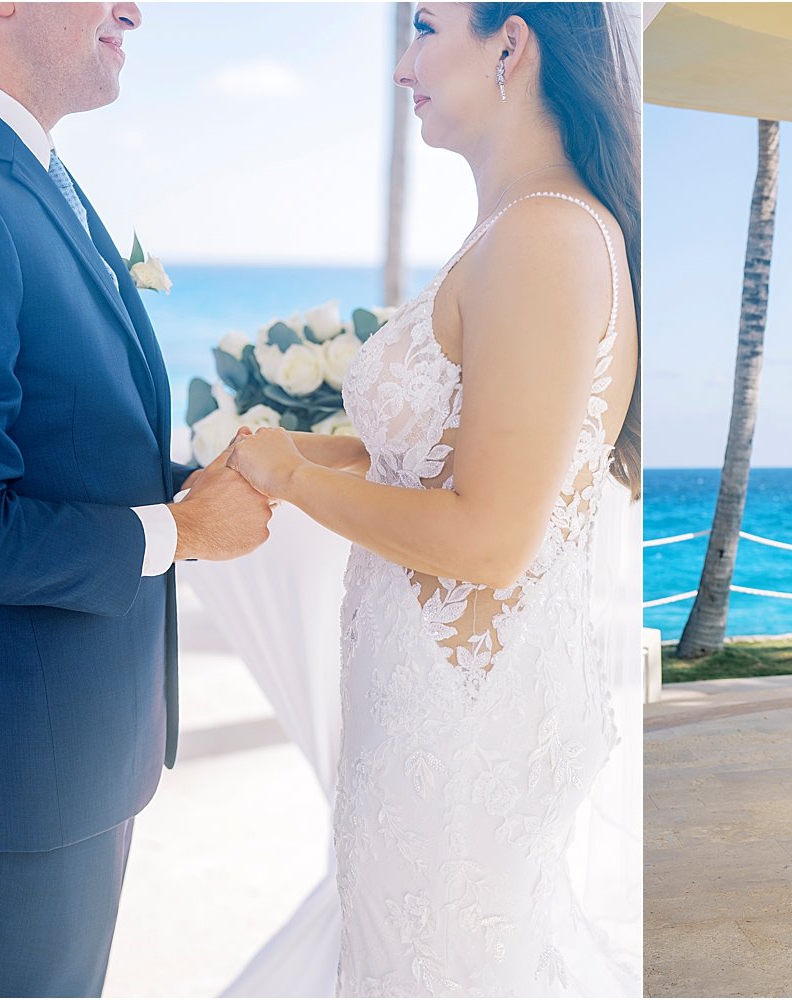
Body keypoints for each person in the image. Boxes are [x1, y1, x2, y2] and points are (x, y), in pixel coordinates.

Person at [224, 3, 640, 994]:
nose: (402, 64)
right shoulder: (514, 228)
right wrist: (278, 452)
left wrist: (287, 479)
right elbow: (427, 453)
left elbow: (491, 536)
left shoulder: (545, 235)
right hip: (424, 718)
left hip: (460, 737)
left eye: (423, 27)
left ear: (511, 42)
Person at [0, 3, 272, 996]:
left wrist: (177, 482)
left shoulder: (26, 168)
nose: (133, 9)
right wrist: (178, 530)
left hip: (74, 755)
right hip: (9, 772)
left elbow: (54, 438)